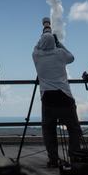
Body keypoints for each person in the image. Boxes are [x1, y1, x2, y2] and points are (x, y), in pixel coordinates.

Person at [32, 28, 82, 167]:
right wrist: (58, 42)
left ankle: (53, 159)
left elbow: (36, 46)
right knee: (74, 129)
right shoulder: (60, 54)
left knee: (49, 131)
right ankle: (75, 156)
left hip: (47, 98)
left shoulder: (36, 55)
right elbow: (71, 57)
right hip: (64, 97)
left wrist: (44, 34)